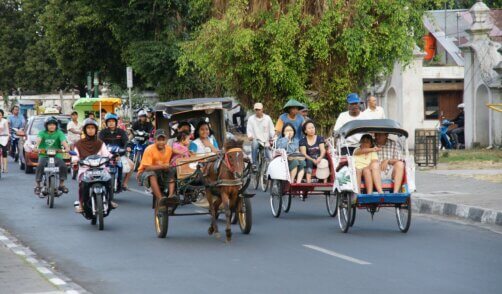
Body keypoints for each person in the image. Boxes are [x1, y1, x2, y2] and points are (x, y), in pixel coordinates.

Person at [72, 118, 117, 213]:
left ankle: (110, 200)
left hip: (100, 167)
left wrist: (113, 157)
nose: (90, 130)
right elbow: (75, 155)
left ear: (96, 130)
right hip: (85, 168)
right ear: (85, 130)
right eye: (88, 128)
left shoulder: (100, 142)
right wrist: (75, 161)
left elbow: (106, 153)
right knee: (82, 185)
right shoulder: (78, 144)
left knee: (109, 181)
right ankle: (81, 204)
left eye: (93, 128)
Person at [137, 129, 178, 209]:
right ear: (155, 140)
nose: (161, 142)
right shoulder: (149, 149)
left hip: (160, 171)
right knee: (152, 174)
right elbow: (147, 168)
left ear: (166, 140)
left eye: (163, 140)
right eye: (159, 140)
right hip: (145, 172)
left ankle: (170, 196)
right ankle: (160, 199)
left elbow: (174, 152)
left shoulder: (168, 149)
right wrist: (163, 166)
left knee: (173, 170)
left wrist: (186, 153)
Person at [33, 116, 70, 196]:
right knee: (39, 166)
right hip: (44, 155)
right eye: (50, 124)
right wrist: (36, 147)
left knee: (63, 166)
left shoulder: (59, 133)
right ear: (46, 126)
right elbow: (38, 140)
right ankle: (38, 185)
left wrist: (67, 147)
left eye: (54, 124)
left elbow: (63, 141)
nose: (52, 126)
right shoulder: (42, 133)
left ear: (56, 125)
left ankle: (61, 184)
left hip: (57, 154)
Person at [99, 113, 133, 191]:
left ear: (116, 122)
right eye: (109, 121)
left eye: (113, 121)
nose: (111, 123)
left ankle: (124, 184)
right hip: (106, 156)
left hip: (119, 155)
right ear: (106, 123)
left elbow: (126, 141)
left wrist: (128, 147)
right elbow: (99, 143)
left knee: (132, 166)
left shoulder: (121, 132)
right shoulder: (102, 132)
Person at [246, 102, 274, 170]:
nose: (258, 111)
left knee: (269, 158)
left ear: (262, 109)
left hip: (266, 141)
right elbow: (249, 130)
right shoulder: (251, 119)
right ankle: (254, 163)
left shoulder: (267, 118)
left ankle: (269, 170)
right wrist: (250, 136)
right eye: (256, 110)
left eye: (259, 109)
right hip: (256, 140)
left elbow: (272, 130)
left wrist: (272, 137)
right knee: (254, 143)